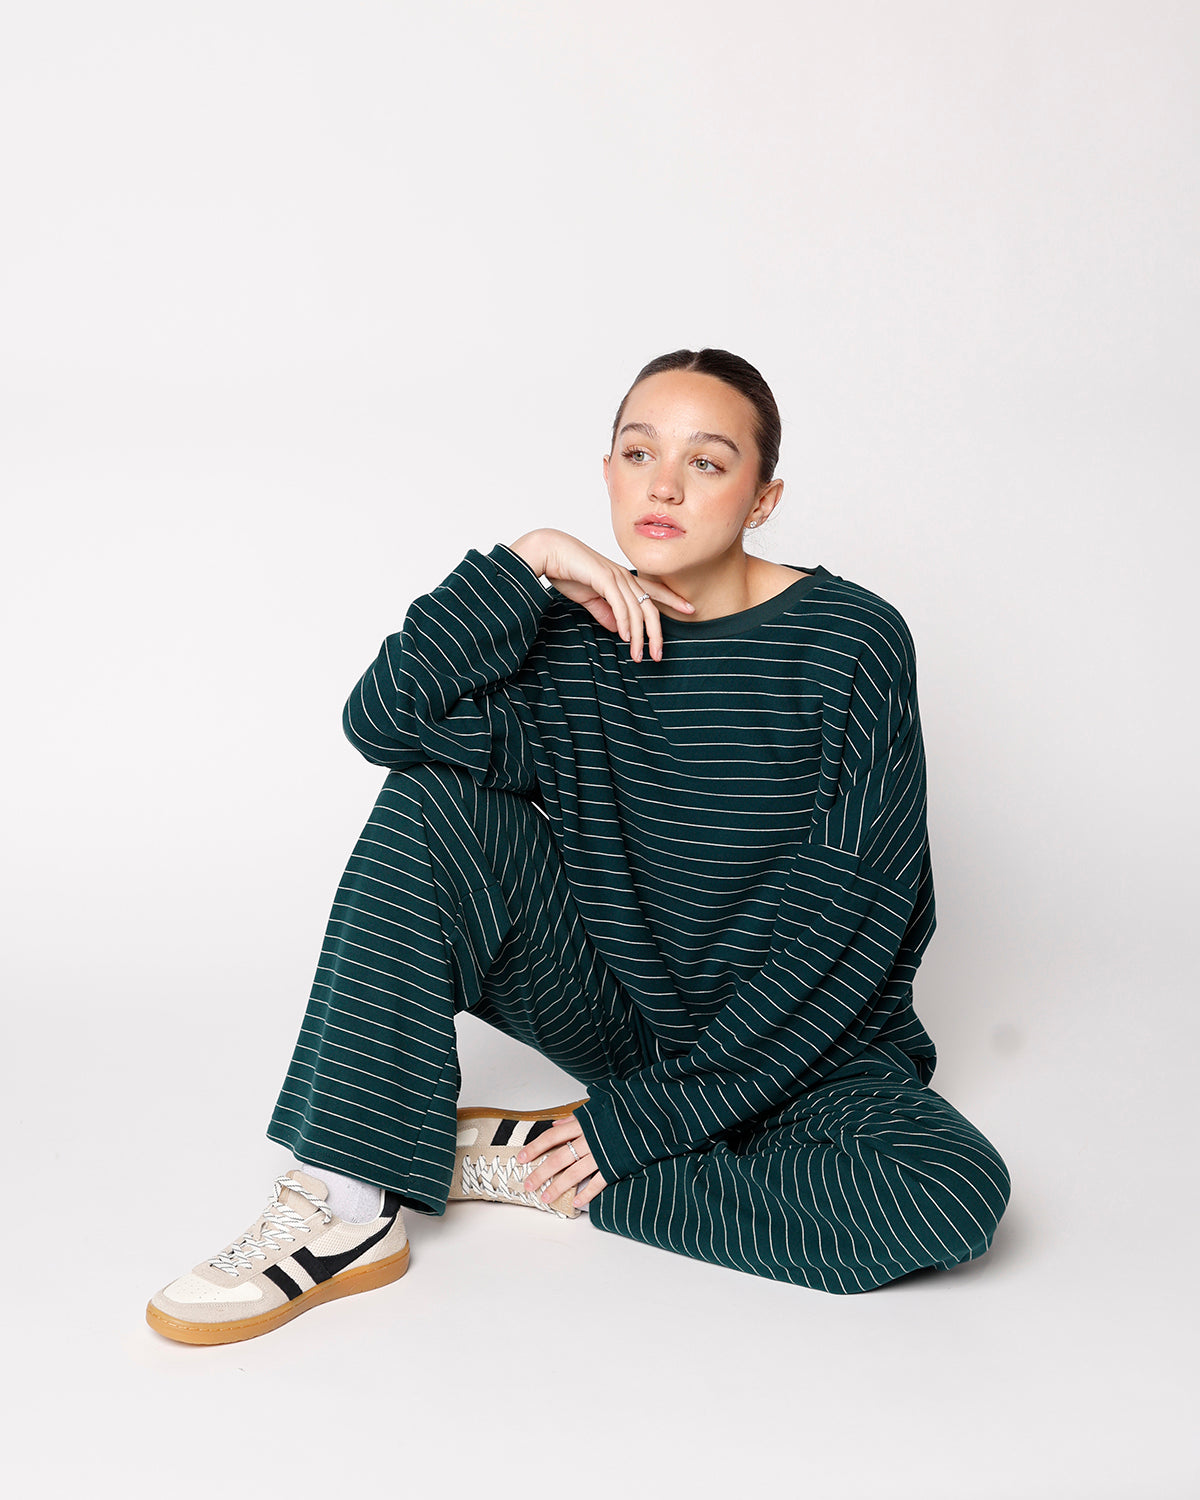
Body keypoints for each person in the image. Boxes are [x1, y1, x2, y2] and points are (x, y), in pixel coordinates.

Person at [146, 348, 1011, 1345]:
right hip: (631, 1022)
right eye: (639, 453)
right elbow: (384, 720)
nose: (663, 484)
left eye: (707, 461)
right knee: (430, 802)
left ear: (764, 497)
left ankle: (540, 1167)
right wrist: (526, 565)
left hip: (813, 1046)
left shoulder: (850, 639)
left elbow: (853, 921)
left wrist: (637, 1125)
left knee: (948, 1196)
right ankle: (346, 1202)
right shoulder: (572, 635)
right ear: (607, 472)